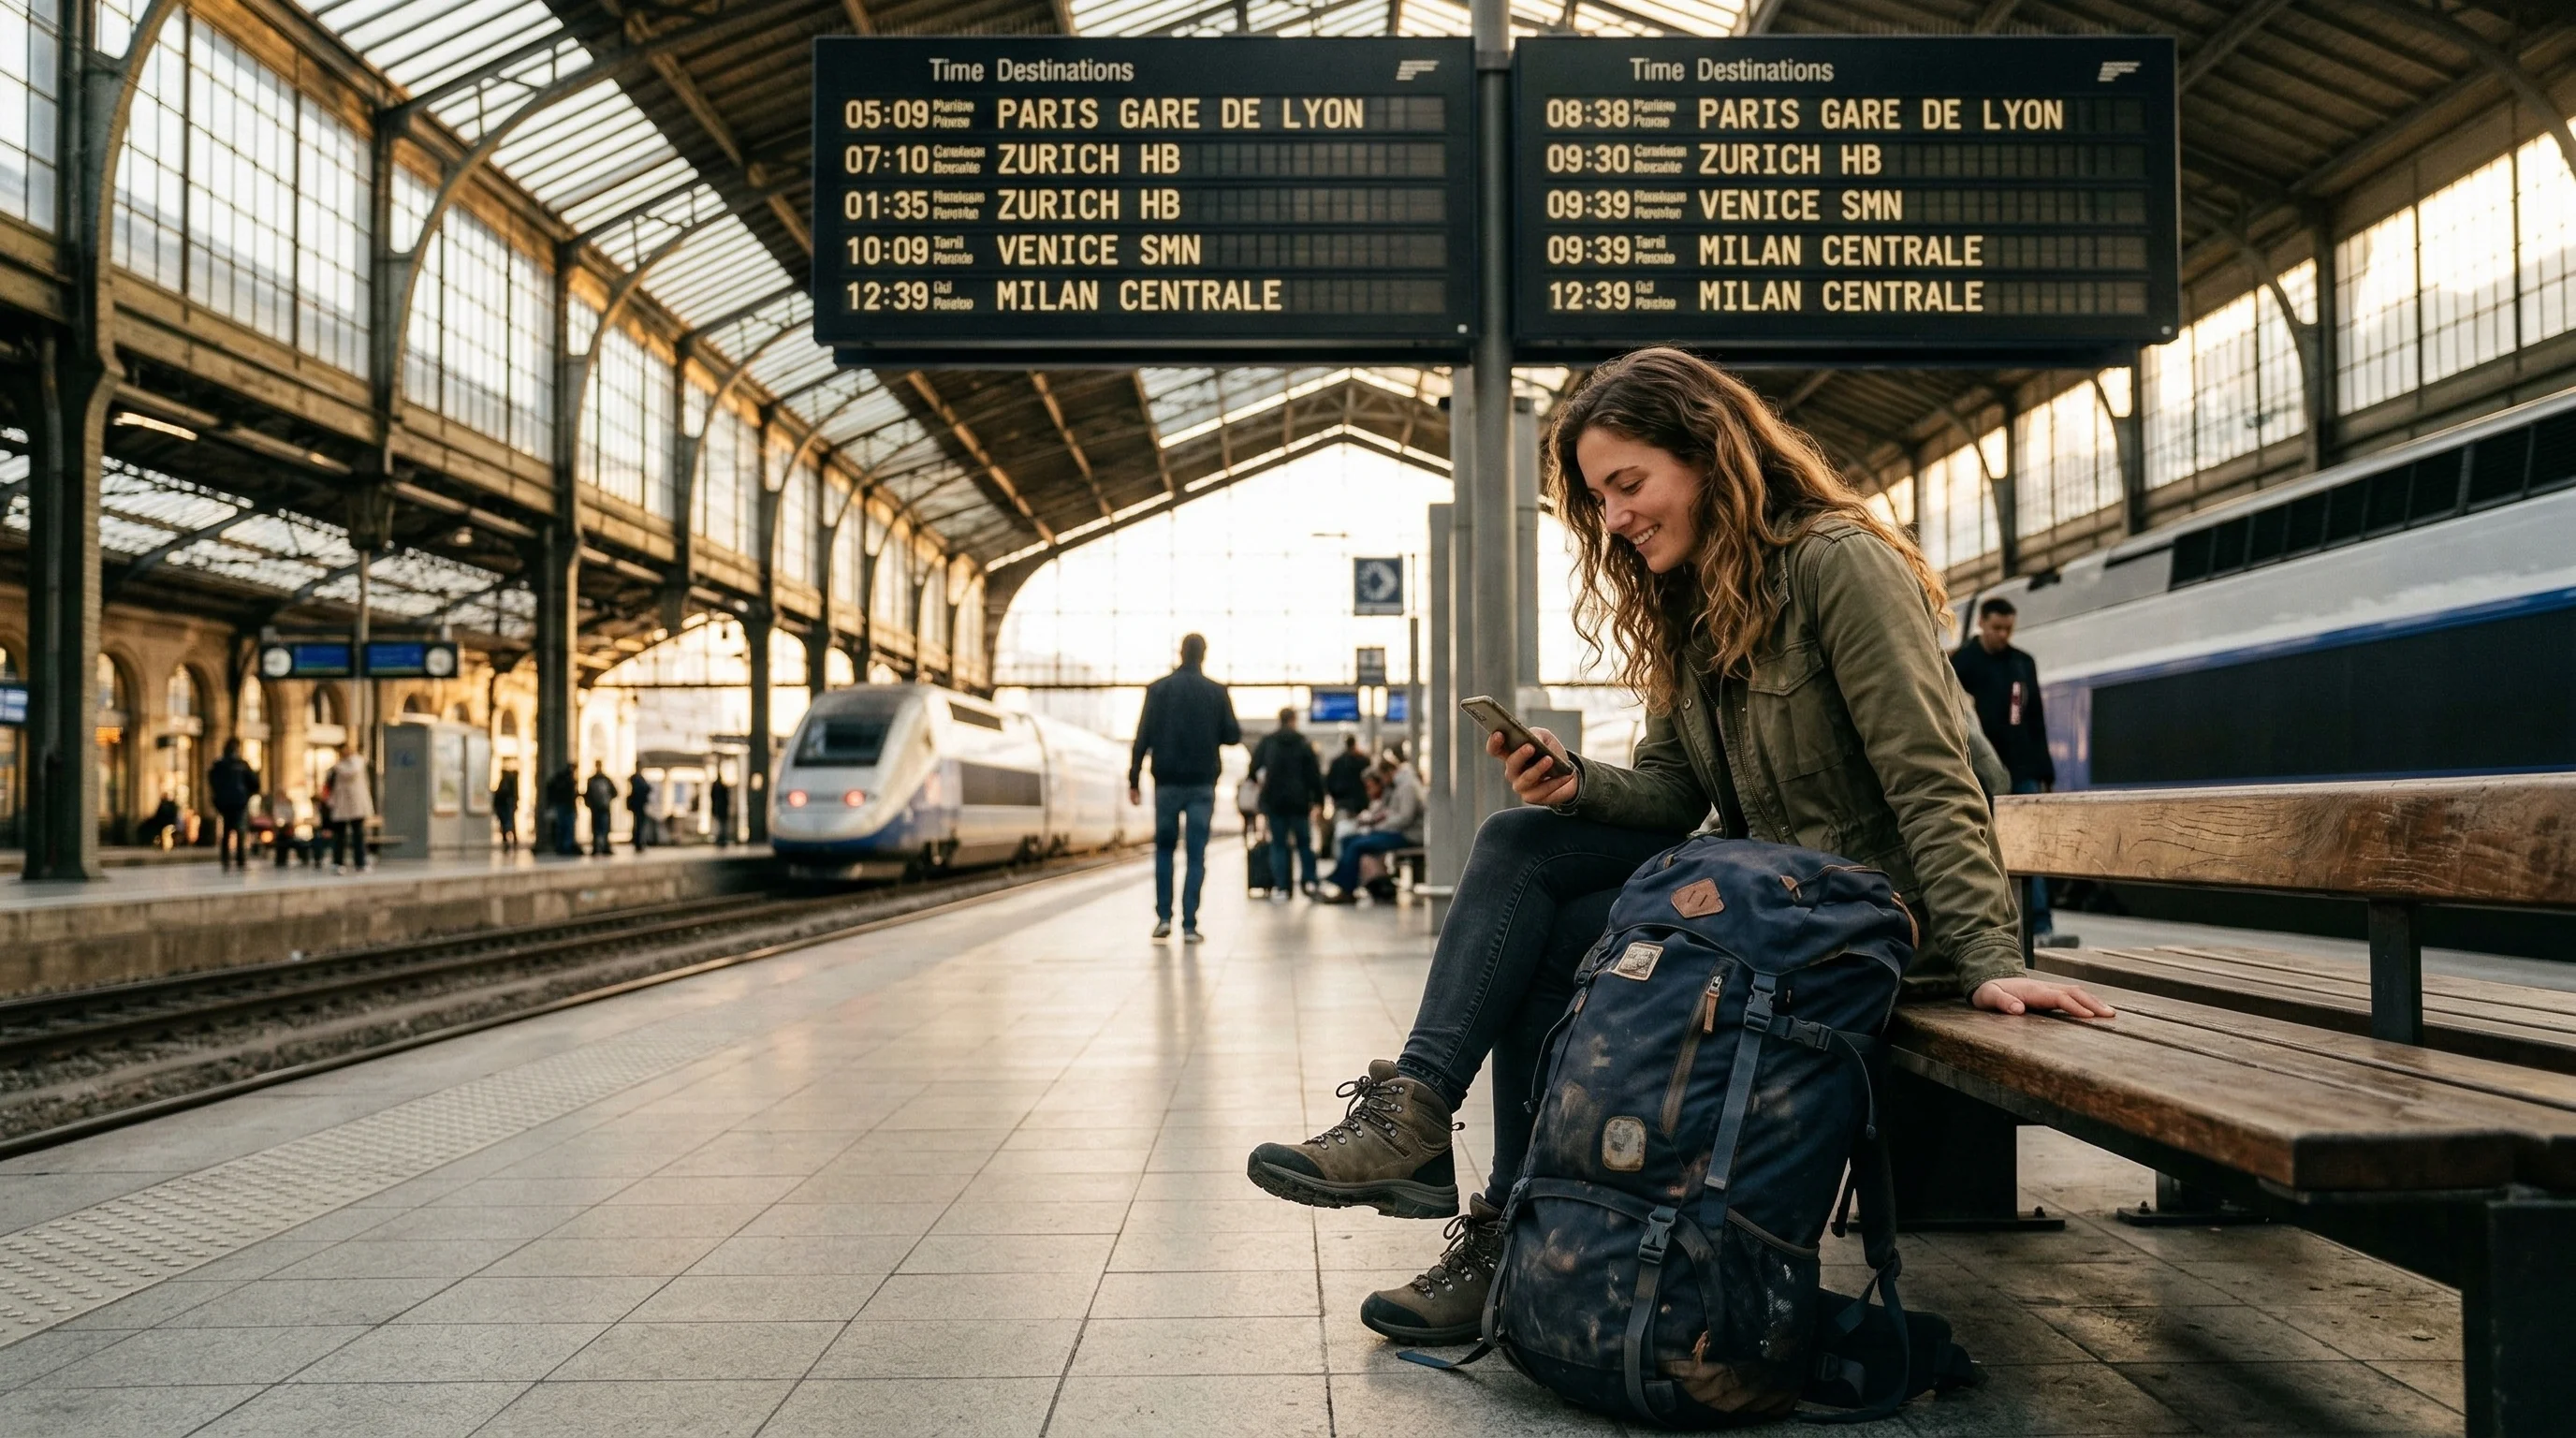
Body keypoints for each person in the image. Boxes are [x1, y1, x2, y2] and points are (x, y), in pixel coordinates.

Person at [1240, 347, 2112, 1346]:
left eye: (1627, 485)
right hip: (1770, 906)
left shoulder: (1839, 562)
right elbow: (1670, 794)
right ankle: (1450, 1156)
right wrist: (1579, 783)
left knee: (1552, 910)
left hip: (1869, 923)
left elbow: (1932, 777)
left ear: (1709, 456)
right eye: (1598, 498)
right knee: (1528, 851)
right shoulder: (1690, 597)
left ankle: (1461, 1183)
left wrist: (1992, 963)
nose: (1612, 517)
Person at [1951, 596, 2060, 937]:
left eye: (2008, 629)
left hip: (2023, 770)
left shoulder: (2022, 664)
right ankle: (1992, 921)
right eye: (1997, 628)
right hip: (1979, 774)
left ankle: (2039, 922)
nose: (2002, 635)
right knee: (1982, 846)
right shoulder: (1961, 665)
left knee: (2030, 848)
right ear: (1981, 622)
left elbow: (2035, 719)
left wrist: (2045, 773)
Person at [1128, 633, 1241, 942]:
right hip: (1202, 783)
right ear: (1204, 655)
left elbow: (1142, 736)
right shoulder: (1217, 692)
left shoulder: (1158, 689)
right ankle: (1190, 925)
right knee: (1196, 854)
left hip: (1166, 783)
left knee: (1164, 851)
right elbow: (1233, 735)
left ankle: (1164, 918)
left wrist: (1134, 779)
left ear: (1180, 653)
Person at [1317, 753, 1424, 902]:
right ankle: (1342, 881)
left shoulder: (1408, 786)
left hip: (1408, 835)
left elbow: (1405, 818)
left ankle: (1346, 888)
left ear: (1389, 772)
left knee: (1357, 845)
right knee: (1349, 840)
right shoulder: (1398, 786)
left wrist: (1380, 826)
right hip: (1396, 831)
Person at [1250, 707, 1325, 902]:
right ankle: (1311, 882)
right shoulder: (1303, 743)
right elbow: (1314, 775)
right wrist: (1319, 799)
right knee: (1304, 845)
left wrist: (1262, 784)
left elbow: (1253, 768)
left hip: (1275, 803)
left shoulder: (1268, 742)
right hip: (1299, 803)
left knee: (1279, 845)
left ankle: (1282, 887)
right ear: (1293, 720)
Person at [207, 739, 258, 870]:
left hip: (225, 804)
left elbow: (212, 781)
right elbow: (255, 783)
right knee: (240, 831)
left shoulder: (219, 764)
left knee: (226, 831)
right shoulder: (242, 765)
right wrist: (247, 795)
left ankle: (226, 861)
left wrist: (218, 797)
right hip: (240, 802)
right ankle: (241, 860)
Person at [328, 744, 373, 873]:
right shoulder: (339, 766)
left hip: (354, 805)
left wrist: (337, 767)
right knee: (340, 836)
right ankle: (338, 862)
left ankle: (360, 863)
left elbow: (351, 772)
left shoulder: (355, 763)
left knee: (357, 835)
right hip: (342, 805)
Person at [1325, 735, 1372, 844]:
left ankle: (1343, 857)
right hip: (1362, 804)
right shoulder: (1364, 761)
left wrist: (1335, 797)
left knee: (1341, 834)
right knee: (1362, 833)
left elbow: (1329, 783)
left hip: (1342, 803)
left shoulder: (1336, 762)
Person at [545, 763, 579, 856]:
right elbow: (570, 795)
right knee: (567, 827)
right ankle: (566, 847)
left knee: (562, 827)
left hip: (562, 806)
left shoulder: (559, 779)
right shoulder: (568, 780)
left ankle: (562, 846)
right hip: (566, 806)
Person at [583, 762, 616, 857]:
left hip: (597, 808)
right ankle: (603, 847)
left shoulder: (592, 780)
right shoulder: (606, 779)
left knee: (598, 829)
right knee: (602, 828)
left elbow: (588, 795)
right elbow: (614, 792)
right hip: (602, 808)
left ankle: (598, 847)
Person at [625, 768, 654, 852]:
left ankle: (638, 842)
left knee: (638, 824)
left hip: (637, 805)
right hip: (639, 805)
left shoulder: (634, 778)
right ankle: (638, 842)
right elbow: (646, 789)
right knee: (639, 825)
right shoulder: (638, 779)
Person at [492, 768, 521, 853]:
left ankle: (510, 840)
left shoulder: (507, 784)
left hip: (506, 807)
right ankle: (508, 841)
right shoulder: (505, 784)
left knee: (508, 824)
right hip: (503, 807)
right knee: (507, 824)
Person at [710, 770, 734, 847]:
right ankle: (721, 839)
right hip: (722, 810)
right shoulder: (722, 788)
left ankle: (721, 839)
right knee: (721, 826)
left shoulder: (718, 788)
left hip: (719, 810)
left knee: (720, 826)